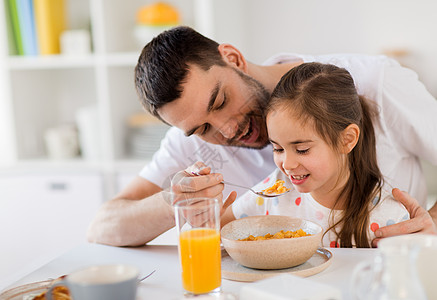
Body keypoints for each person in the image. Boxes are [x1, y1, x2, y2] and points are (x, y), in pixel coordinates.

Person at [87, 26, 437, 247]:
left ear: (234, 59)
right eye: (201, 129)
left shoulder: (375, 83)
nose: (226, 129)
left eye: (221, 101)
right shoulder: (190, 139)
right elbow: (103, 227)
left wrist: (431, 230)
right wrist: (177, 201)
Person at [224, 62, 409, 247]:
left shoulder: (388, 216)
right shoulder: (276, 188)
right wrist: (204, 207)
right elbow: (220, 227)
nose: (287, 164)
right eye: (278, 149)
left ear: (347, 140)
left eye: (302, 149)